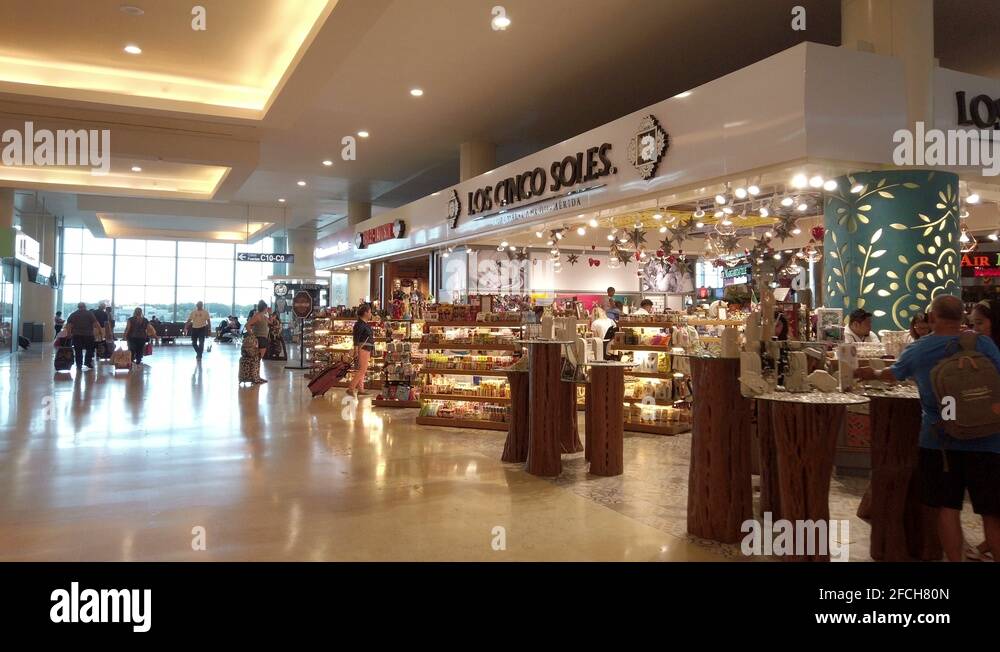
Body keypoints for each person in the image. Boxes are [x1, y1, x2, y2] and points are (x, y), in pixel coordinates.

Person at [855, 295, 1000, 562]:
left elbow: (892, 375)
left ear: (932, 317)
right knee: (991, 512)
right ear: (962, 318)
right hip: (988, 439)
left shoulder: (919, 349)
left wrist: (869, 373)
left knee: (947, 507)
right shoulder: (983, 344)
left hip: (940, 441)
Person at [347, 303, 375, 397]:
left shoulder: (363, 324)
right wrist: (356, 351)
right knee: (362, 369)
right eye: (370, 312)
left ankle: (361, 389)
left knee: (362, 369)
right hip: (362, 348)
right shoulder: (359, 325)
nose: (371, 314)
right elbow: (356, 339)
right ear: (365, 313)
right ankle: (351, 388)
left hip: (366, 348)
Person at [243, 302, 271, 384]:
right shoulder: (257, 316)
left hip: (263, 338)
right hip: (259, 339)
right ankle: (255, 377)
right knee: (257, 359)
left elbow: (270, 322)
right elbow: (247, 325)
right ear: (264, 308)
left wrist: (270, 314)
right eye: (266, 308)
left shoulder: (263, 316)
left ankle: (256, 376)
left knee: (258, 359)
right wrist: (252, 335)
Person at [66, 302, 98, 370]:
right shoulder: (89, 313)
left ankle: (79, 364)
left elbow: (68, 324)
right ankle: (87, 362)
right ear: (85, 306)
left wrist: (69, 333)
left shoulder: (73, 314)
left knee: (78, 350)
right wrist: (99, 331)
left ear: (78, 307)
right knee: (89, 349)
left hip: (77, 335)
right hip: (88, 335)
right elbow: (95, 323)